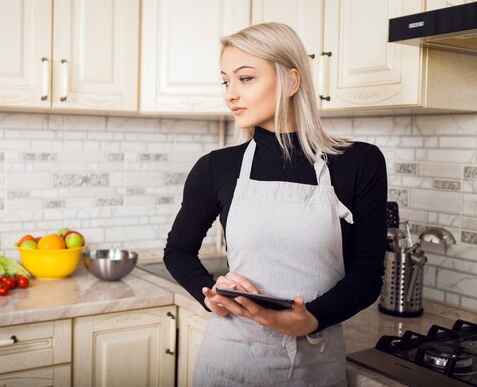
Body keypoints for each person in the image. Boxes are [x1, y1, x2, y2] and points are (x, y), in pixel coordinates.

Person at [163, 22, 387, 386]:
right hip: (229, 363)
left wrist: (310, 318)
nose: (230, 94)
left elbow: (367, 274)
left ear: (292, 81)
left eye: (245, 78)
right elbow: (178, 251)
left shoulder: (359, 162)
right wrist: (210, 295)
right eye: (226, 81)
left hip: (316, 363)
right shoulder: (216, 167)